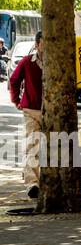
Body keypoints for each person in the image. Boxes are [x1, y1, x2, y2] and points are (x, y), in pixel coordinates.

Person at [7, 31, 43, 198]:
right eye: (43, 42)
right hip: (31, 111)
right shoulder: (27, 62)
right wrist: (16, 101)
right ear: (36, 44)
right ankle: (32, 183)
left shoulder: (57, 62)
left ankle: (47, 181)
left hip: (52, 112)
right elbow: (14, 80)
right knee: (32, 146)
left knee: (56, 145)